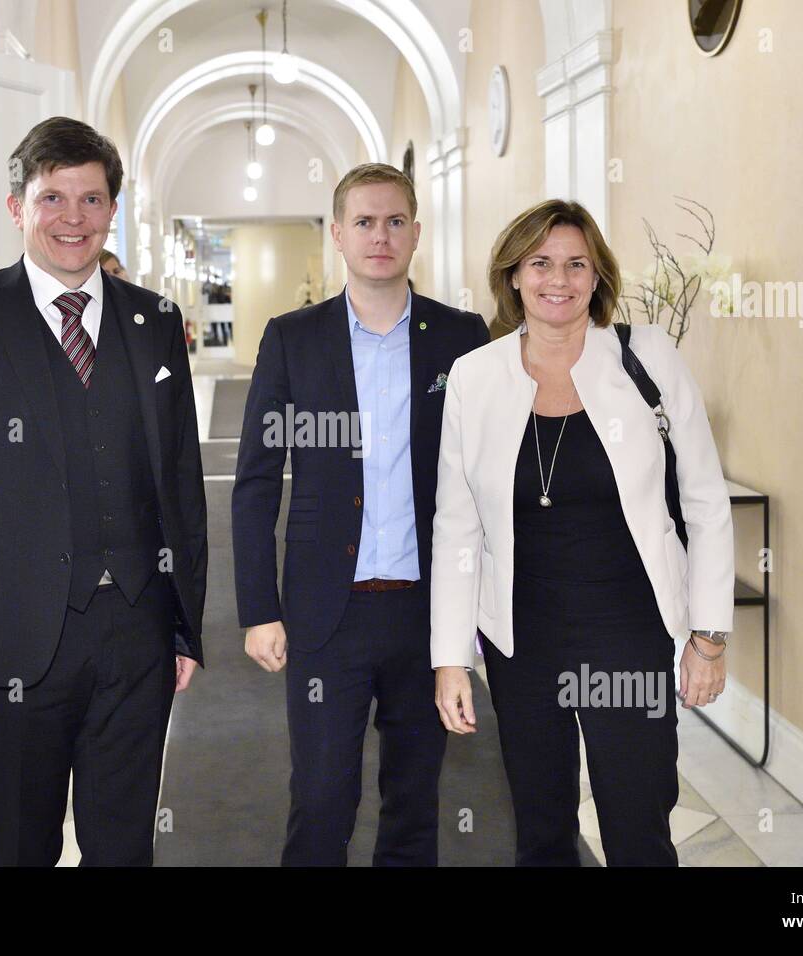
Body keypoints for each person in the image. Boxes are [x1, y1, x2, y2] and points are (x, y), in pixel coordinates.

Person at [0, 116, 207, 866]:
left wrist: (181, 622)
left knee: (124, 845)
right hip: (16, 641)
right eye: (52, 199)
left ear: (112, 211)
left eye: (92, 200)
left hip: (136, 632)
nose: (73, 218)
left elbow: (179, 480)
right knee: (23, 845)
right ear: (17, 208)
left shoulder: (154, 322)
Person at [430, 199, 734, 866]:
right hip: (522, 638)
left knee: (639, 821)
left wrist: (708, 639)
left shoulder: (645, 358)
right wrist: (450, 655)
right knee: (541, 827)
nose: (557, 280)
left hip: (627, 631)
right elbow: (456, 527)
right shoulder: (477, 377)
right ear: (513, 276)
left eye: (576, 264)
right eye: (540, 263)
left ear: (597, 278)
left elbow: (706, 499)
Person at [233, 163, 490, 866]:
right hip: (326, 615)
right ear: (339, 236)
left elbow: (485, 482)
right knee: (320, 803)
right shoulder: (293, 338)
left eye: (396, 221)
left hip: (424, 614)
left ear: (415, 234)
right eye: (366, 222)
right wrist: (259, 607)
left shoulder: (461, 337)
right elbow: (256, 482)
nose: (382, 235)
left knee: (413, 804)